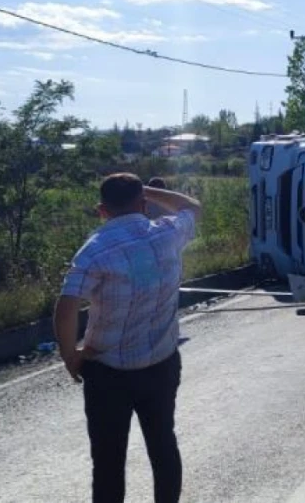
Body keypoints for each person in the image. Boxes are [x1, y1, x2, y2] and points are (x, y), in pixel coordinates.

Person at [54, 173, 202, 503]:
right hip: (161, 364)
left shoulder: (93, 250)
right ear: (144, 203)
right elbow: (191, 206)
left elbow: (65, 308)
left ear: (102, 210)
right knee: (163, 444)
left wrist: (70, 356)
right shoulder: (167, 234)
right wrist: (144, 190)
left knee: (108, 461)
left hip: (107, 373)